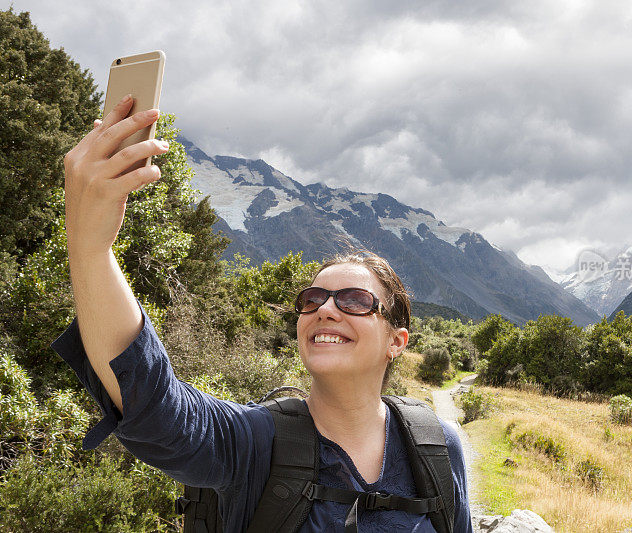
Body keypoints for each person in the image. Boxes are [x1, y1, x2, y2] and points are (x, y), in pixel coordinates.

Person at [52, 95, 473, 532]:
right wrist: (91, 246)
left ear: (396, 341)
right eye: (312, 300)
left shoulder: (437, 448)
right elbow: (156, 406)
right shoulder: (254, 441)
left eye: (355, 300)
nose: (326, 309)